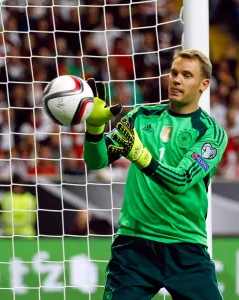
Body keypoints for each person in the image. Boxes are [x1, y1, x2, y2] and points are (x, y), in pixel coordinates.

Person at [83, 49, 227, 299]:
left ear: (204, 84)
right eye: (174, 73)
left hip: (185, 247)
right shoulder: (141, 117)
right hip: (134, 246)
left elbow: (180, 180)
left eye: (186, 75)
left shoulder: (211, 134)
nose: (177, 79)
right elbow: (97, 160)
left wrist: (141, 156)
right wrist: (94, 129)